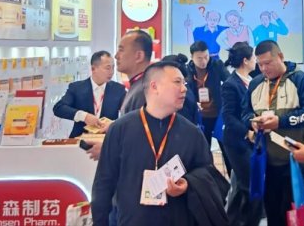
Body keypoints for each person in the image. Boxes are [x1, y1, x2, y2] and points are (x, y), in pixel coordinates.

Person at [91, 62, 227, 226]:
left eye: (184, 83)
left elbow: (210, 175)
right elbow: (104, 182)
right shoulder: (121, 129)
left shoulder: (192, 133)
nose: (184, 89)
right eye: (177, 82)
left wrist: (188, 184)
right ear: (154, 86)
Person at [242, 40, 304, 226]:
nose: (263, 68)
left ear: (281, 57)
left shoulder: (299, 79)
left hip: (294, 158)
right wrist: (253, 122)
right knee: (271, 209)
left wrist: (280, 121)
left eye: (267, 63)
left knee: (292, 210)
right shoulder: (255, 83)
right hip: (266, 160)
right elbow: (244, 113)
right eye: (260, 64)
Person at [86, 30, 153, 161]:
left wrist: (109, 150)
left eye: (121, 50)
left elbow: (144, 140)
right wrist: (116, 125)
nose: (116, 56)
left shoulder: (145, 90)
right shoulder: (137, 85)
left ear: (139, 56)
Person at [221, 42, 262, 226]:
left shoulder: (253, 80)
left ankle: (232, 220)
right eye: (253, 58)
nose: (256, 61)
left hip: (251, 140)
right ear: (245, 60)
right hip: (237, 142)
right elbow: (228, 117)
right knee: (251, 185)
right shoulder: (231, 84)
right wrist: (247, 133)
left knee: (241, 185)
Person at [53, 51, 126, 138]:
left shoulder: (118, 89)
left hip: (107, 140)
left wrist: (114, 124)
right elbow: (59, 108)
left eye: (113, 67)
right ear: (93, 69)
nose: (111, 72)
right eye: (107, 68)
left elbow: (130, 113)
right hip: (80, 139)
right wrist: (84, 116)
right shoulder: (77, 88)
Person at [184, 41, 229, 146]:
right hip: (200, 117)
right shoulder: (187, 71)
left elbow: (229, 81)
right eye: (199, 58)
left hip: (218, 114)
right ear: (192, 57)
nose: (204, 61)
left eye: (206, 56)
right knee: (204, 147)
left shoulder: (217, 65)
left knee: (226, 146)